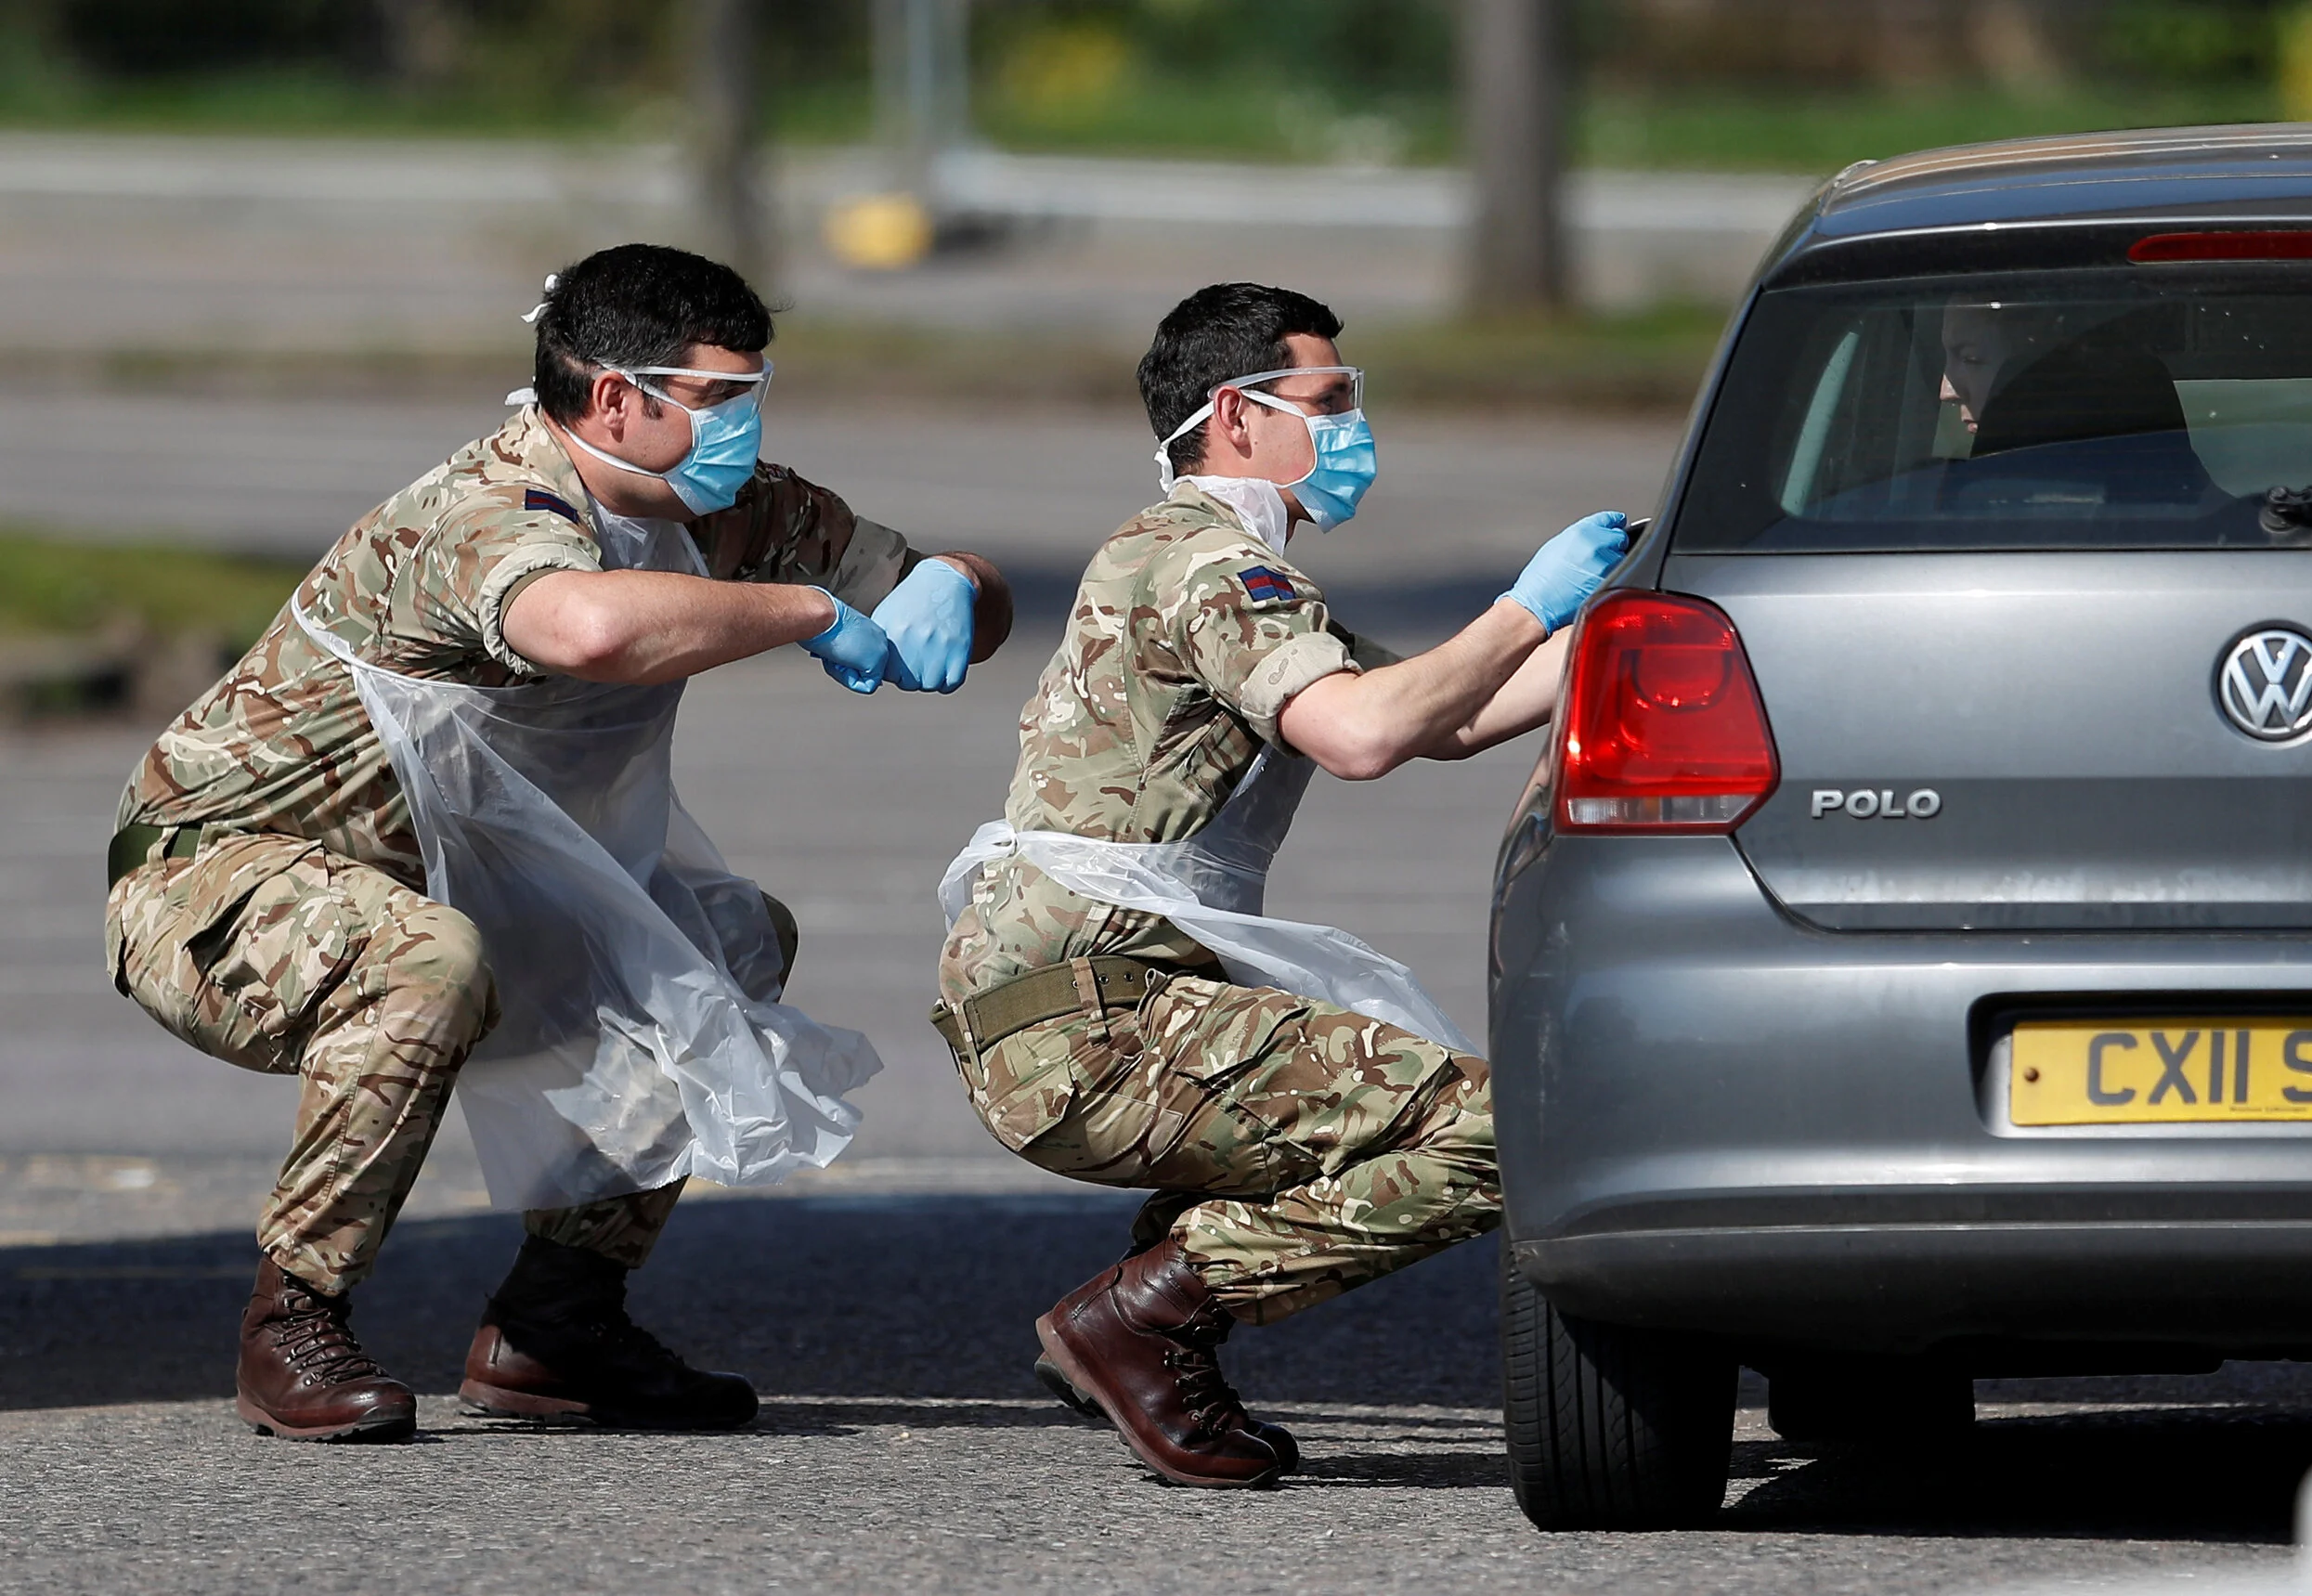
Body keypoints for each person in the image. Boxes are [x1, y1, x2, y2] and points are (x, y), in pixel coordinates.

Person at [104, 243, 1011, 1443]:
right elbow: (580, 624)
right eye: (722, 400)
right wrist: (807, 610)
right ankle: (294, 1317)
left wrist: (955, 580)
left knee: (731, 937)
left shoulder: (735, 511)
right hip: (218, 877)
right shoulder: (486, 509)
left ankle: (556, 1324)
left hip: (455, 876)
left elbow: (929, 591)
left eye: (754, 393)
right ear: (618, 398)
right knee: (422, 961)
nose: (746, 425)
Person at [931, 281, 1627, 1487]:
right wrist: (1525, 603)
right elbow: (1361, 733)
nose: (1356, 426)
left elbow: (1445, 717)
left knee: (1377, 1098)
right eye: (1332, 399)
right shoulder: (1212, 565)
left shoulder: (1213, 561)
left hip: (1088, 1000)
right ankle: (1145, 1315)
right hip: (1087, 1016)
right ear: (1237, 415)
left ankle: (1152, 1320)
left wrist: (1612, 620)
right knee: (1506, 1134)